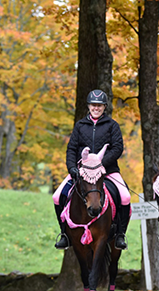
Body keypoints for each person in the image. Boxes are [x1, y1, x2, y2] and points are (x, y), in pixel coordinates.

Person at [52, 89, 131, 250]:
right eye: (93, 105)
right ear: (89, 106)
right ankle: (64, 234)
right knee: (57, 196)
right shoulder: (80, 126)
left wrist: (100, 164)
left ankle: (120, 234)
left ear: (104, 107)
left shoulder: (112, 125)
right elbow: (71, 149)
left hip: (107, 171)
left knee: (125, 197)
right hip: (82, 172)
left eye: (99, 105)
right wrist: (72, 168)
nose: (96, 108)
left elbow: (117, 148)